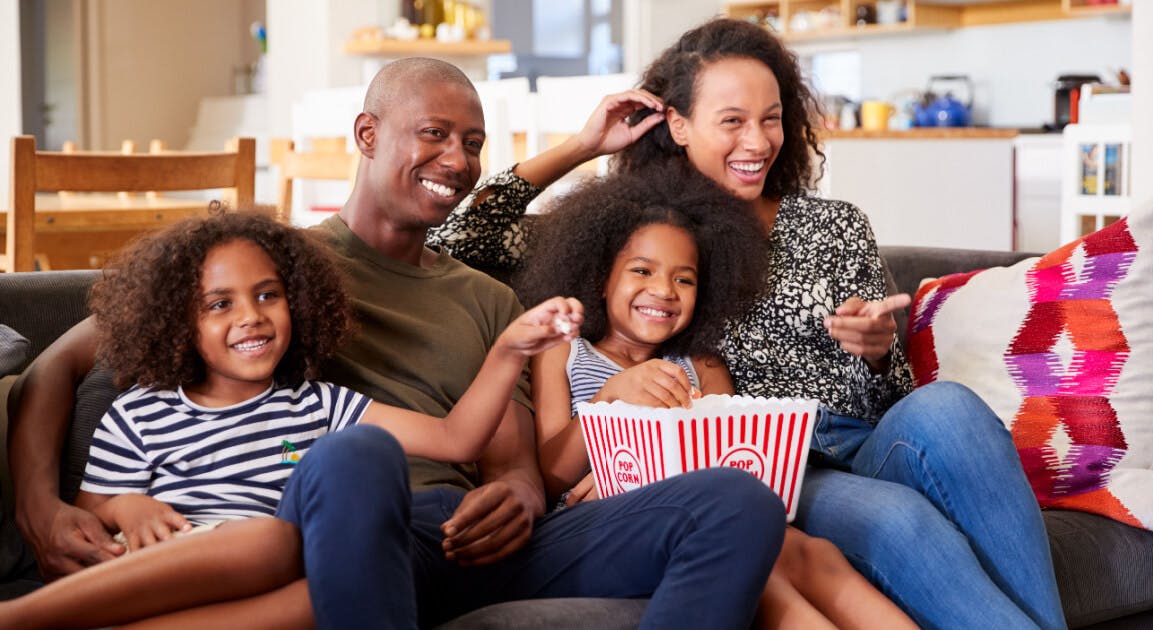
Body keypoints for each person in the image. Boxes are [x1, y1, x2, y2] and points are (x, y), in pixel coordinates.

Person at [6, 57, 787, 628]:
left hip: (486, 542)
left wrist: (515, 493)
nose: (457, 160)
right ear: (368, 134)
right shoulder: (271, 271)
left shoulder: (488, 297)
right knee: (356, 455)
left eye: (473, 142)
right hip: (360, 529)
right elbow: (56, 364)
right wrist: (39, 507)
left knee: (738, 504)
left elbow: (513, 452)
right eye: (435, 134)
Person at [429, 18, 1069, 630]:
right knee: (898, 522)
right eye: (731, 121)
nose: (758, 142)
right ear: (677, 124)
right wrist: (583, 144)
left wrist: (878, 353)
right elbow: (460, 233)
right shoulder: (647, 237)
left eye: (771, 119)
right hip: (779, 467)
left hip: (869, 439)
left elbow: (893, 398)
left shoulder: (835, 224)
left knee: (951, 404)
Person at [0, 210, 586, 627]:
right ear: (179, 324)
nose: (251, 317)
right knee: (270, 542)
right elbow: (89, 511)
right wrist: (129, 506)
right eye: (219, 304)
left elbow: (455, 438)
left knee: (326, 595)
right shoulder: (140, 412)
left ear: (298, 303)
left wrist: (509, 351)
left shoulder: (319, 405)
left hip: (264, 580)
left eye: (267, 295)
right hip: (159, 565)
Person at [515, 164, 916, 630]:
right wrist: (609, 400)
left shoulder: (700, 365)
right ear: (602, 279)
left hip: (708, 511)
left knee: (807, 549)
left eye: (684, 279)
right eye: (642, 270)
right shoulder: (564, 353)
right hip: (606, 523)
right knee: (761, 567)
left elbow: (725, 461)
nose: (663, 290)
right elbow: (547, 476)